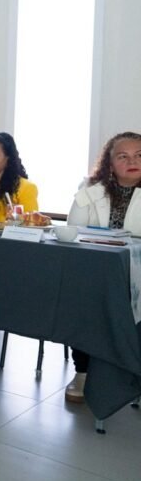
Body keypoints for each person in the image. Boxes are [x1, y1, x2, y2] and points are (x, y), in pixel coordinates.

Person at [64, 131, 141, 403]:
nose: (133, 161)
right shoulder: (91, 190)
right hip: (98, 274)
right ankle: (83, 371)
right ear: (110, 163)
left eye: (139, 155)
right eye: (123, 156)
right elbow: (74, 229)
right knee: (81, 302)